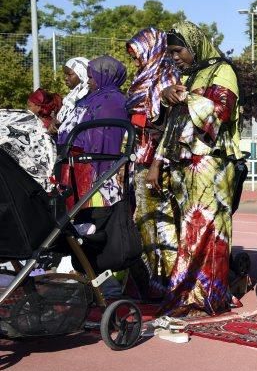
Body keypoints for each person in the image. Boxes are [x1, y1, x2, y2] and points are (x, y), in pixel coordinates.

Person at [153, 21, 241, 317]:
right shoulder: (188, 77)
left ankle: (209, 295)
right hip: (183, 164)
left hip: (210, 164)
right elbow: (171, 126)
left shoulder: (222, 71)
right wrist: (158, 160)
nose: (174, 57)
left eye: (178, 51)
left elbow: (221, 113)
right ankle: (189, 292)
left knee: (209, 231)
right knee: (187, 231)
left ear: (194, 46)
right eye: (171, 53)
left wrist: (184, 97)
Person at [126, 27, 180, 298]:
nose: (136, 61)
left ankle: (172, 281)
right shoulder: (142, 77)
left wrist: (158, 162)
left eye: (138, 54)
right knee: (144, 221)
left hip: (161, 162)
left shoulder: (168, 76)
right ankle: (150, 281)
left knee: (165, 221)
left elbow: (171, 125)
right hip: (140, 158)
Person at [58, 55, 128, 210]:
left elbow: (101, 139)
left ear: (105, 77)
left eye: (91, 77)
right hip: (79, 162)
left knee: (93, 212)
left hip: (95, 165)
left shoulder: (111, 102)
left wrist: (89, 163)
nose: (88, 81)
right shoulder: (94, 98)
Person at [56, 57, 90, 147]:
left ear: (82, 74)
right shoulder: (72, 96)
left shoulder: (86, 96)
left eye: (70, 74)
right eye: (65, 74)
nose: (66, 78)